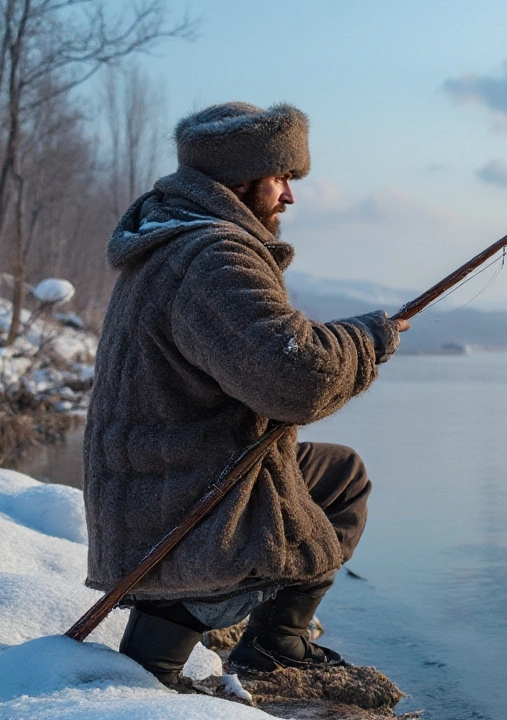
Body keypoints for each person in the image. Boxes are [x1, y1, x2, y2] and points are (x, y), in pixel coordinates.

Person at [82, 101, 407, 685]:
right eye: (282, 178)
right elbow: (297, 380)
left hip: (157, 479)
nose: (289, 197)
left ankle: (275, 642)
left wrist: (355, 338)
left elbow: (267, 355)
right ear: (240, 179)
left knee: (338, 475)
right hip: (184, 492)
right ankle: (143, 675)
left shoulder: (175, 241)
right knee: (144, 679)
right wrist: (366, 339)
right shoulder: (212, 258)